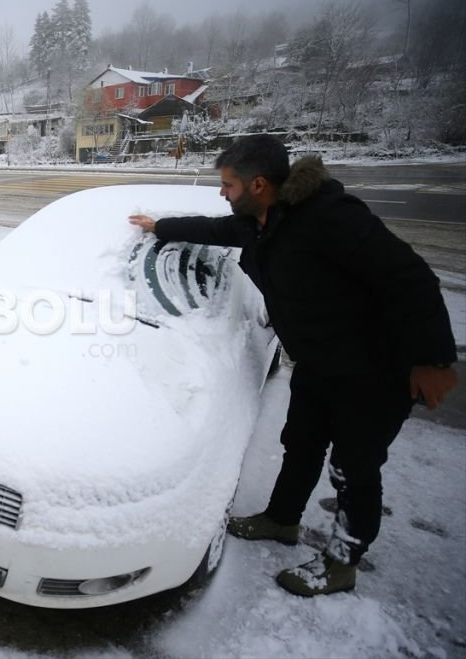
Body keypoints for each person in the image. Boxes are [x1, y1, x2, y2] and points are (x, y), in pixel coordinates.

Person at [128, 134, 458, 596]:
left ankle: (342, 564)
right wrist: (159, 226)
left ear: (258, 184)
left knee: (353, 468)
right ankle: (282, 519)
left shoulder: (329, 218)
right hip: (319, 362)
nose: (223, 193)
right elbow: (213, 229)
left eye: (228, 185)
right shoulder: (258, 223)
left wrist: (434, 359)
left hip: (374, 370)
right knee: (300, 444)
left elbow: (411, 278)